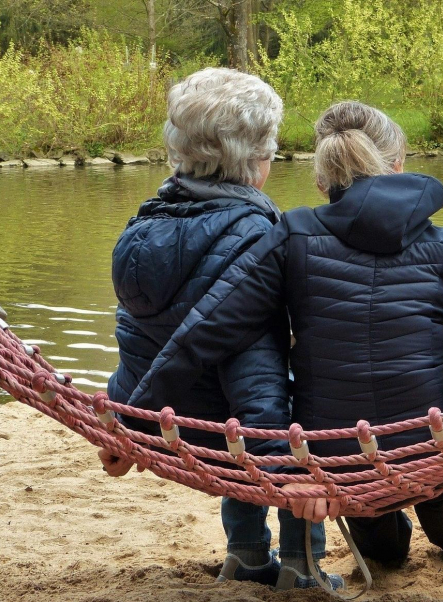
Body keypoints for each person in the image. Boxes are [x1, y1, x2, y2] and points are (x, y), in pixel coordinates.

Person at [127, 100, 443, 564]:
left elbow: (208, 330)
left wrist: (134, 420)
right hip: (431, 440)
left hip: (337, 454)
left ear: (322, 180)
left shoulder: (291, 235)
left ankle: (386, 534)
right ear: (397, 165)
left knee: (383, 551)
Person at [98, 67, 342, 591]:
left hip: (164, 418)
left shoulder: (143, 225)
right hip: (232, 428)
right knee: (309, 401)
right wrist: (286, 474)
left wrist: (125, 419)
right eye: (270, 149)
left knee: (238, 410)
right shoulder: (259, 237)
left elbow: (138, 337)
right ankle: (303, 566)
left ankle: (247, 554)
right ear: (256, 161)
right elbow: (259, 378)